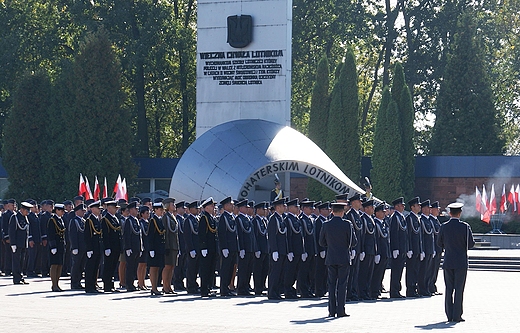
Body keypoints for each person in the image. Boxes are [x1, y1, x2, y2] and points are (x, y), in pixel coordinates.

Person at [437, 202, 475, 323]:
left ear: (450, 213)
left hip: (448, 261)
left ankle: (449, 314)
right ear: (460, 213)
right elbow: (471, 244)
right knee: (459, 289)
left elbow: (439, 243)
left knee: (449, 288)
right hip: (461, 262)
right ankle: (457, 315)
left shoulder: (443, 226)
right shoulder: (465, 227)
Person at [319, 202, 355, 318]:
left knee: (331, 284)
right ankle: (341, 310)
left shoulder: (326, 224)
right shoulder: (347, 224)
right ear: (342, 212)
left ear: (332, 212)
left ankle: (331, 310)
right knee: (342, 284)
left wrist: (330, 246)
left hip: (331, 257)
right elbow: (352, 242)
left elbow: (321, 242)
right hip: (344, 257)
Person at [267, 197, 288, 300]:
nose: (285, 207)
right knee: (275, 273)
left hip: (282, 250)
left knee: (280, 273)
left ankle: (277, 292)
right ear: (278, 207)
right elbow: (272, 236)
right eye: (283, 206)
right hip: (277, 251)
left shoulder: (281, 218)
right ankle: (272, 292)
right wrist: (274, 250)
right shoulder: (273, 219)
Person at [218, 197, 239, 297]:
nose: (233, 206)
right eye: (231, 204)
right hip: (227, 248)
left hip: (233, 248)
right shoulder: (223, 217)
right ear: (226, 206)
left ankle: (227, 287)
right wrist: (224, 247)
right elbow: (222, 234)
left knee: (231, 269)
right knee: (225, 269)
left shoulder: (231, 217)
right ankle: (223, 289)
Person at [198, 197, 218, 297]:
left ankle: (209, 287)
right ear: (206, 207)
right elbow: (202, 234)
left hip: (212, 248)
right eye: (211, 206)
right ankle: (204, 290)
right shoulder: (204, 218)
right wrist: (203, 247)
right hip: (206, 248)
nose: (213, 207)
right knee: (205, 269)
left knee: (211, 269)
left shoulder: (211, 218)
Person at [284, 198, 304, 299]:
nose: (298, 208)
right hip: (292, 251)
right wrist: (289, 251)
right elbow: (288, 237)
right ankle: (287, 290)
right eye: (296, 207)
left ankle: (291, 289)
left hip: (298, 250)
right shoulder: (288, 220)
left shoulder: (296, 219)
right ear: (290, 208)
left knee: (295, 271)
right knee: (290, 272)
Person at [236, 199, 257, 296]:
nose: (247, 209)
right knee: (243, 270)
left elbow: (252, 235)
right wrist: (241, 248)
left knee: (249, 270)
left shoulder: (247, 219)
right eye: (245, 207)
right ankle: (241, 288)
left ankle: (246, 286)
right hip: (244, 249)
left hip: (250, 249)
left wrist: (254, 248)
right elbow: (239, 235)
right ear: (240, 208)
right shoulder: (238, 219)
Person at [8, 201, 32, 285]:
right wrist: (13, 244)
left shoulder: (25, 218)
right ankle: (16, 278)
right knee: (16, 261)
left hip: (23, 243)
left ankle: (21, 276)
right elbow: (11, 232)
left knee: (22, 261)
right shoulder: (15, 217)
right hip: (17, 244)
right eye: (26, 210)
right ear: (22, 209)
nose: (28, 213)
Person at [101, 201, 122, 293]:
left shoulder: (115, 218)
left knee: (113, 266)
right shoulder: (105, 219)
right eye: (115, 208)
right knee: (108, 266)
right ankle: (107, 285)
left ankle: (111, 285)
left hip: (116, 247)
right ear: (109, 208)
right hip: (110, 247)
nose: (116, 209)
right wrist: (107, 247)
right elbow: (105, 235)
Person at [389, 197, 408, 298]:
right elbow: (394, 233)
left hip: (402, 248)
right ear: (396, 207)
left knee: (400, 270)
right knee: (396, 270)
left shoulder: (401, 217)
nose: (403, 207)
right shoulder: (394, 217)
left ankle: (397, 289)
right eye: (401, 205)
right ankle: (394, 291)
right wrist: (395, 248)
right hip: (398, 249)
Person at [405, 196, 423, 298]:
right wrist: (409, 249)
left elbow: (419, 236)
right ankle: (410, 290)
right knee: (411, 270)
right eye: (417, 205)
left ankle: (414, 288)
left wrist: (420, 250)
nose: (419, 207)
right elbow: (408, 235)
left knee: (416, 270)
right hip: (412, 249)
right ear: (412, 207)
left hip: (417, 249)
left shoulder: (417, 218)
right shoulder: (409, 218)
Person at [148, 202, 166, 296]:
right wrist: (151, 249)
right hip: (154, 248)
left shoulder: (159, 220)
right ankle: (153, 288)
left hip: (159, 248)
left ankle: (155, 287)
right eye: (160, 209)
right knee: (154, 268)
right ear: (155, 210)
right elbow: (150, 236)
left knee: (158, 268)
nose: (162, 211)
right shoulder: (153, 220)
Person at [84, 201, 103, 294]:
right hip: (92, 248)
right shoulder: (89, 220)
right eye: (98, 208)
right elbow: (87, 236)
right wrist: (89, 249)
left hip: (97, 248)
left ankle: (93, 285)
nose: (99, 210)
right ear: (92, 209)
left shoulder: (97, 219)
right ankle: (89, 286)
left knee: (95, 267)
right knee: (90, 268)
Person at [47, 203, 67, 291]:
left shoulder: (60, 220)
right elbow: (51, 234)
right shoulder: (52, 220)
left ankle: (57, 284)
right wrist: (53, 246)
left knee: (60, 265)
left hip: (61, 245)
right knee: (54, 265)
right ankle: (54, 284)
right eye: (62, 211)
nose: (63, 213)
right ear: (57, 210)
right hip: (55, 245)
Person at [162, 197, 180, 294]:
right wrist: (167, 246)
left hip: (174, 245)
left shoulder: (172, 216)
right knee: (167, 266)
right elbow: (166, 233)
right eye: (172, 204)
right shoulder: (166, 217)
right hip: (169, 246)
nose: (174, 206)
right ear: (168, 206)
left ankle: (169, 286)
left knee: (172, 266)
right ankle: (165, 286)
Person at [252, 201, 269, 296]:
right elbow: (254, 236)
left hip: (265, 249)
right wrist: (256, 249)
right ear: (258, 210)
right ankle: (257, 288)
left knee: (265, 269)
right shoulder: (255, 221)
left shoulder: (264, 220)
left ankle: (262, 286)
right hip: (259, 249)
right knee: (258, 270)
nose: (265, 210)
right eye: (263, 209)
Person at [124, 201, 142, 292]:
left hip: (136, 248)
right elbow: (126, 235)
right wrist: (127, 248)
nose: (137, 210)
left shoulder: (135, 220)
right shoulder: (128, 221)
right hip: (131, 248)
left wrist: (140, 248)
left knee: (134, 267)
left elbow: (139, 235)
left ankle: (132, 283)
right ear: (131, 210)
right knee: (130, 267)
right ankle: (129, 284)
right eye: (136, 209)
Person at [184, 201, 201, 294]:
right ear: (190, 210)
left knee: (196, 268)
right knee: (191, 268)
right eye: (195, 208)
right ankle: (190, 286)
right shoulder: (188, 220)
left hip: (197, 248)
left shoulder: (196, 219)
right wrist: (191, 249)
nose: (198, 209)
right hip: (192, 248)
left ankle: (194, 284)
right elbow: (188, 236)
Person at [69, 203, 87, 290]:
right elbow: (73, 235)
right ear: (77, 212)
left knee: (81, 266)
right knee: (76, 265)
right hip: (77, 247)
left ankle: (78, 282)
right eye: (81, 211)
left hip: (83, 247)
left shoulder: (83, 221)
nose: (83, 212)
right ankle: (74, 283)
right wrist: (74, 247)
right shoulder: (74, 221)